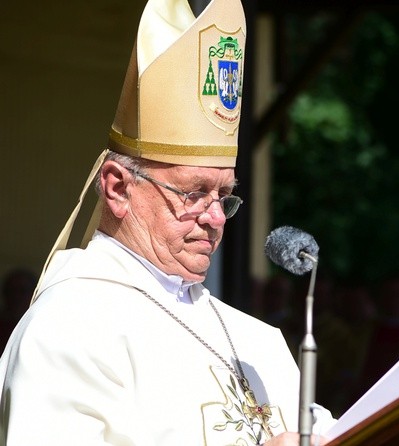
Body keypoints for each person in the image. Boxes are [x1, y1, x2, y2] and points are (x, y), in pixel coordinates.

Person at [0, 0, 335, 444]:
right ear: (118, 187)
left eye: (225, 196)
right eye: (194, 193)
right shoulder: (69, 327)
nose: (216, 217)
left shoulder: (258, 341)